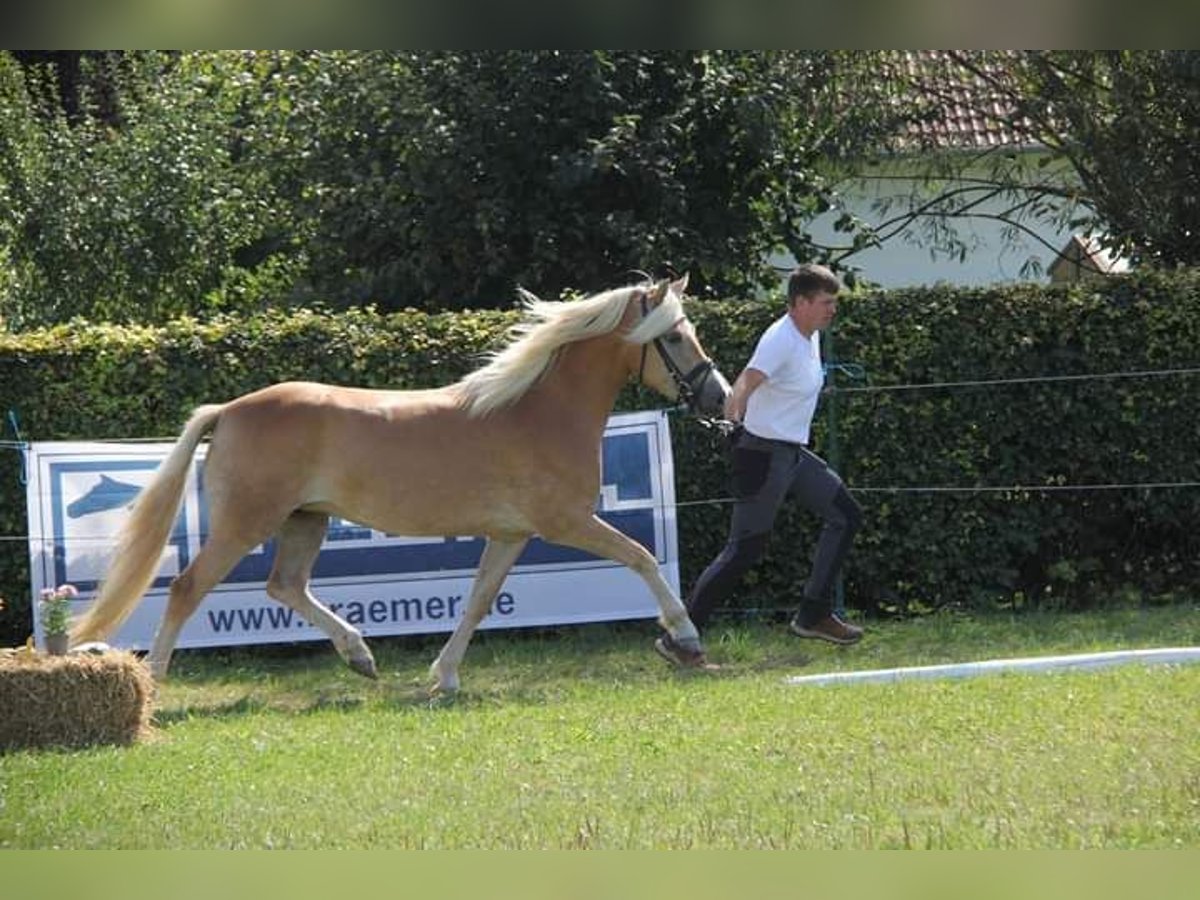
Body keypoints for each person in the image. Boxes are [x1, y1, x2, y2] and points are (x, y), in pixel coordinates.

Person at [656, 263, 864, 667]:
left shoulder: (809, 336)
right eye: (825, 303)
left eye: (832, 303)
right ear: (800, 303)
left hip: (791, 454)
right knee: (744, 550)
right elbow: (747, 382)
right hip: (763, 454)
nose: (831, 310)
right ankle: (678, 638)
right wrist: (732, 418)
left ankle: (813, 614)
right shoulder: (781, 339)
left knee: (846, 515)